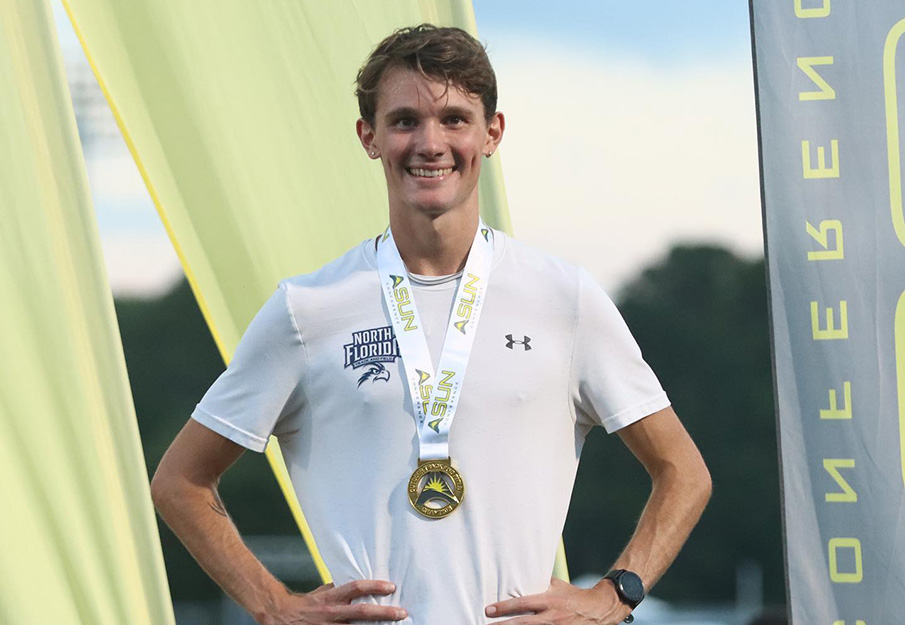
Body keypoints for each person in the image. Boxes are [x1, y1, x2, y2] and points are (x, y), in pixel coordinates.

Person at [151, 24, 712, 625]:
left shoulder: (562, 297)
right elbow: (180, 480)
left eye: (454, 119)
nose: (430, 142)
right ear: (369, 137)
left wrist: (613, 596)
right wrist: (273, 605)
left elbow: (683, 472)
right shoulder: (308, 308)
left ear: (492, 133)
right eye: (404, 121)